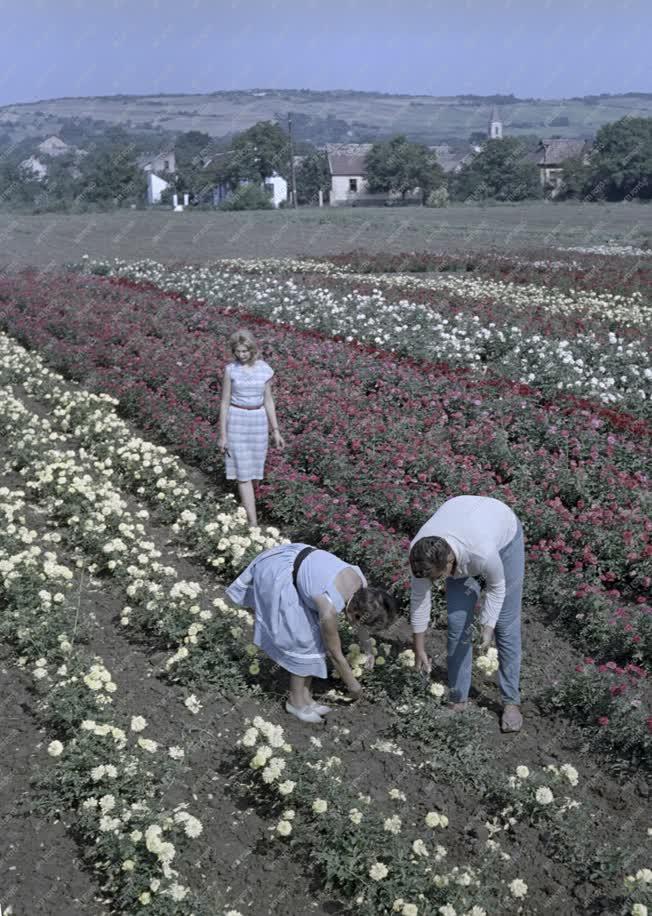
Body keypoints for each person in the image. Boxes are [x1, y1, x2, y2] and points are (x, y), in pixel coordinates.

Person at [226, 543, 398, 723]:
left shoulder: (363, 588)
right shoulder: (328, 608)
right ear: (355, 614)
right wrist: (354, 687)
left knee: (315, 640)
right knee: (306, 642)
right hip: (280, 572)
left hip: (299, 562)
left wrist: (367, 648)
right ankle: (295, 701)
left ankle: (306, 697)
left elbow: (363, 622)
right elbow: (335, 654)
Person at [409, 495, 524, 733]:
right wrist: (418, 648)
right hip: (462, 518)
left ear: (449, 562)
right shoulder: (420, 555)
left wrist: (487, 626)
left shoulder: (481, 552)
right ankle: (457, 698)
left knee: (505, 623)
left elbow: (496, 587)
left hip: (503, 534)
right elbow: (420, 600)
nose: (434, 583)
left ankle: (511, 701)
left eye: (437, 577)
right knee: (457, 623)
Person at [218, 329, 284, 527]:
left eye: (245, 351)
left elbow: (268, 401)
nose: (241, 355)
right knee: (243, 474)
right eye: (237, 351)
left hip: (258, 421)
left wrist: (276, 431)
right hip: (237, 421)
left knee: (254, 470)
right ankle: (253, 524)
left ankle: (250, 510)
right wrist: (223, 435)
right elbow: (224, 403)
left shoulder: (264, 369)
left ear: (252, 349)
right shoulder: (231, 370)